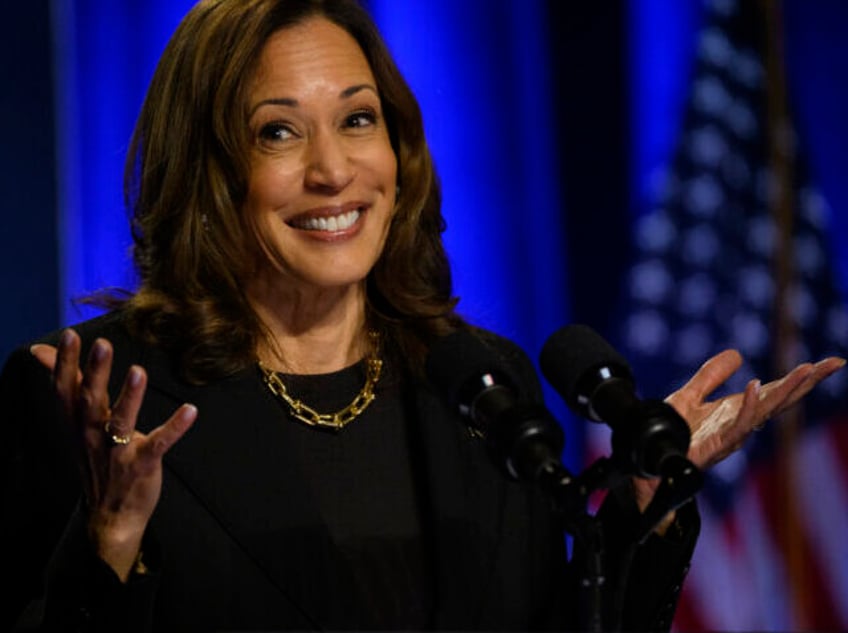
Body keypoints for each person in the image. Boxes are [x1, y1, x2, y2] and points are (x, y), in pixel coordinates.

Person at [1, 0, 843, 631]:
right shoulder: (98, 398)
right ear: (209, 173)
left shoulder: (481, 384)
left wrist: (645, 506)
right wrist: (107, 540)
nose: (335, 170)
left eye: (358, 120)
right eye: (278, 134)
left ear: (398, 148)